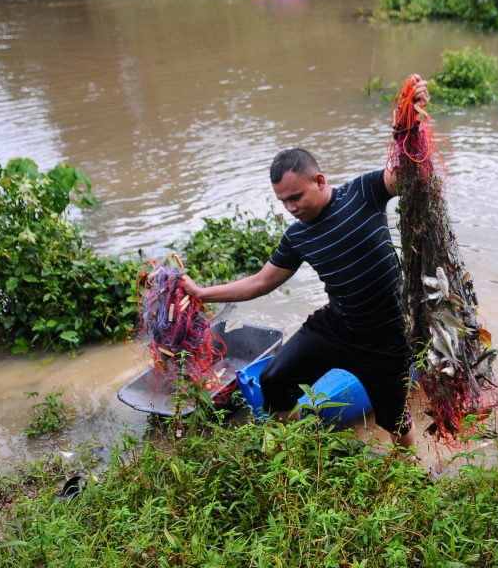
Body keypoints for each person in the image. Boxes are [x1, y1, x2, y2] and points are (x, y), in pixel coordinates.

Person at [180, 76, 430, 448]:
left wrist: (411, 121)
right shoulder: (298, 236)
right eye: (283, 202)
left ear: (319, 180)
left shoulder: (364, 192)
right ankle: (298, 443)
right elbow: (260, 282)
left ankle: (410, 474)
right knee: (274, 379)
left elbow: (407, 173)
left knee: (395, 421)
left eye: (296, 197)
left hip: (386, 337)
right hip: (336, 327)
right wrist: (202, 293)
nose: (291, 208)